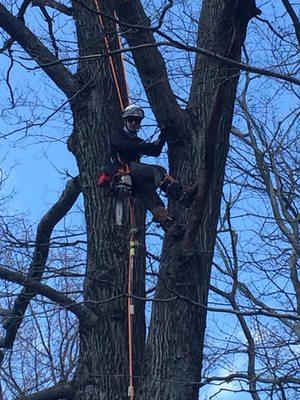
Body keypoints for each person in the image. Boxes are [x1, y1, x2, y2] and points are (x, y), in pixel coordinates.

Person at [106, 104, 197, 239]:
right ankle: (180, 194)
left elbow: (154, 151)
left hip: (132, 179)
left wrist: (162, 137)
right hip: (124, 169)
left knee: (151, 198)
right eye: (131, 119)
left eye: (137, 121)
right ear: (125, 120)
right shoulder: (118, 134)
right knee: (157, 171)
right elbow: (126, 146)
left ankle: (171, 227)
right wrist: (144, 146)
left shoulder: (136, 140)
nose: (134, 123)